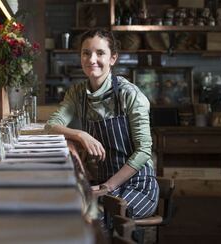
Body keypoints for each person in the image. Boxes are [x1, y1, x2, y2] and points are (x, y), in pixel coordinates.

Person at [45, 29, 159, 219]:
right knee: (65, 212)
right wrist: (80, 134)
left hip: (137, 185)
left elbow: (144, 150)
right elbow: (50, 126)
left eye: (100, 53)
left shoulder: (130, 94)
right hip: (102, 183)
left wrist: (109, 186)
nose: (91, 59)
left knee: (97, 219)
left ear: (113, 58)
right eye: (86, 53)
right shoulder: (77, 93)